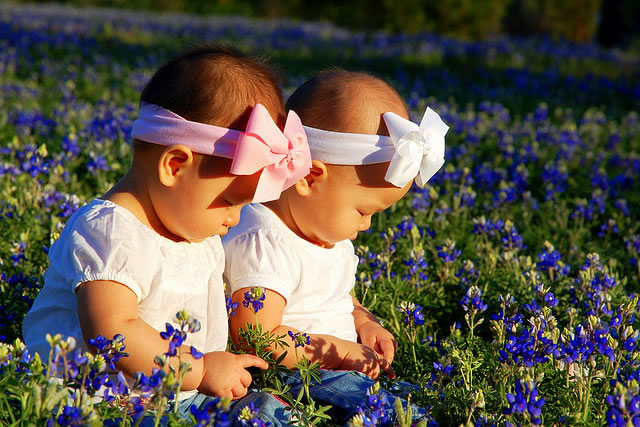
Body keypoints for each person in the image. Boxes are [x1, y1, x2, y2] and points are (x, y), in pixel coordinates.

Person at [22, 45, 311, 424]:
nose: (236, 217)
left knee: (267, 410)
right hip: (98, 400)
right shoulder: (111, 231)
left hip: (176, 395)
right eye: (230, 200)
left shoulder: (194, 229)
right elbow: (115, 333)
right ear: (174, 165)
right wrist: (201, 370)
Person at [223, 70, 448, 422]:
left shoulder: (327, 232)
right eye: (363, 210)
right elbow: (258, 336)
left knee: (421, 396)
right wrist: (340, 353)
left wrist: (364, 322)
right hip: (295, 378)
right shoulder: (265, 238)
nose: (366, 224)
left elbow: (340, 296)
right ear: (310, 178)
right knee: (399, 414)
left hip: (339, 373)